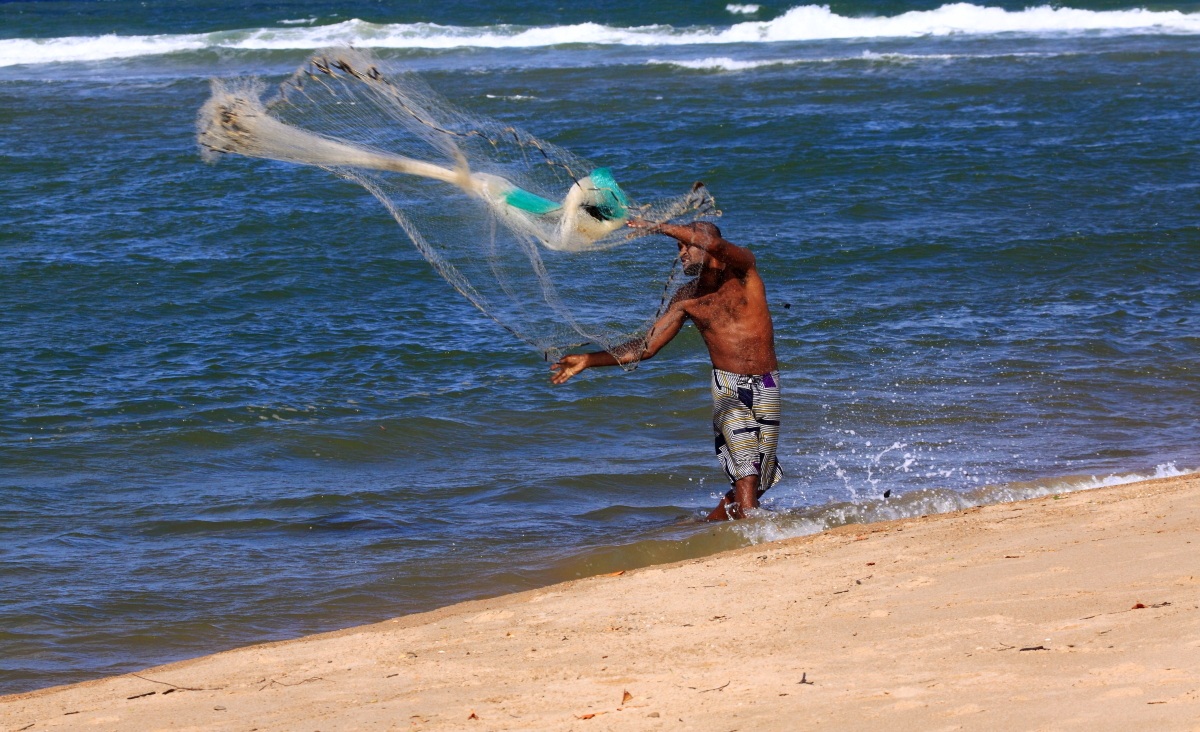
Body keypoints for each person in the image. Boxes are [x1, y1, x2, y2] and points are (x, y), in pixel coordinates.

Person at [551, 219, 782, 520]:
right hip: (729, 387)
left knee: (762, 477)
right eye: (678, 248)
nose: (681, 253)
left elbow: (716, 246)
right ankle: (756, 537)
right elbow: (645, 347)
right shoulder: (687, 298)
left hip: (767, 384)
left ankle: (710, 525)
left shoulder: (743, 272)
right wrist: (588, 360)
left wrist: (660, 226)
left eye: (686, 245)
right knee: (746, 470)